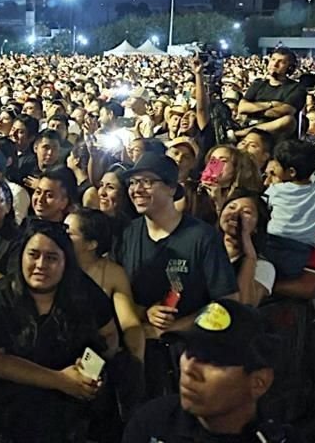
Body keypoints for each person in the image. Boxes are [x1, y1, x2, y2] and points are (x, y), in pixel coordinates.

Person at [0, 218, 119, 442]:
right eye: (33, 255)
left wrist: (90, 368)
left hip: (72, 412)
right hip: (10, 410)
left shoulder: (83, 292)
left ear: (65, 262)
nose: (41, 265)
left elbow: (109, 335)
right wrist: (60, 380)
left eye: (51, 258)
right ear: (21, 256)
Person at [113, 153, 238, 398]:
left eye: (147, 182)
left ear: (171, 188)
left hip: (192, 358)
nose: (137, 189)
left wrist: (176, 327)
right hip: (142, 355)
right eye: (133, 183)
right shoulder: (128, 234)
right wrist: (143, 312)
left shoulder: (201, 237)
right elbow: (119, 292)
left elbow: (228, 302)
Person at [122, 299, 297, 443]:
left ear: (259, 382)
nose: (189, 368)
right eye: (189, 351)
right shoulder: (152, 422)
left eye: (212, 360)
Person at [67, 209, 145, 364]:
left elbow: (129, 323)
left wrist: (136, 363)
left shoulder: (113, 274)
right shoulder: (55, 266)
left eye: (69, 233)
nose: (61, 236)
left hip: (96, 354)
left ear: (91, 244)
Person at [262, 140, 315, 279]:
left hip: (273, 244)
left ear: (291, 172)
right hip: (300, 254)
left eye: (276, 164)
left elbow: (260, 209)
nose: (272, 168)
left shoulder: (276, 190)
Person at [217, 190, 276, 307]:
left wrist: (250, 257)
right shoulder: (205, 248)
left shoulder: (263, 267)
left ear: (257, 226)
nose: (236, 214)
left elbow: (244, 306)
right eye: (232, 207)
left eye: (246, 212)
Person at [237, 47, 305, 140]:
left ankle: (249, 131)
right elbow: (242, 108)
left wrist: (254, 109)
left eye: (281, 62)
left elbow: (284, 111)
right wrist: (271, 104)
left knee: (289, 120)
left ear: (290, 68)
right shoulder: (258, 84)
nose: (275, 64)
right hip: (251, 125)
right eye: (273, 59)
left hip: (275, 134)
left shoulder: (296, 88)